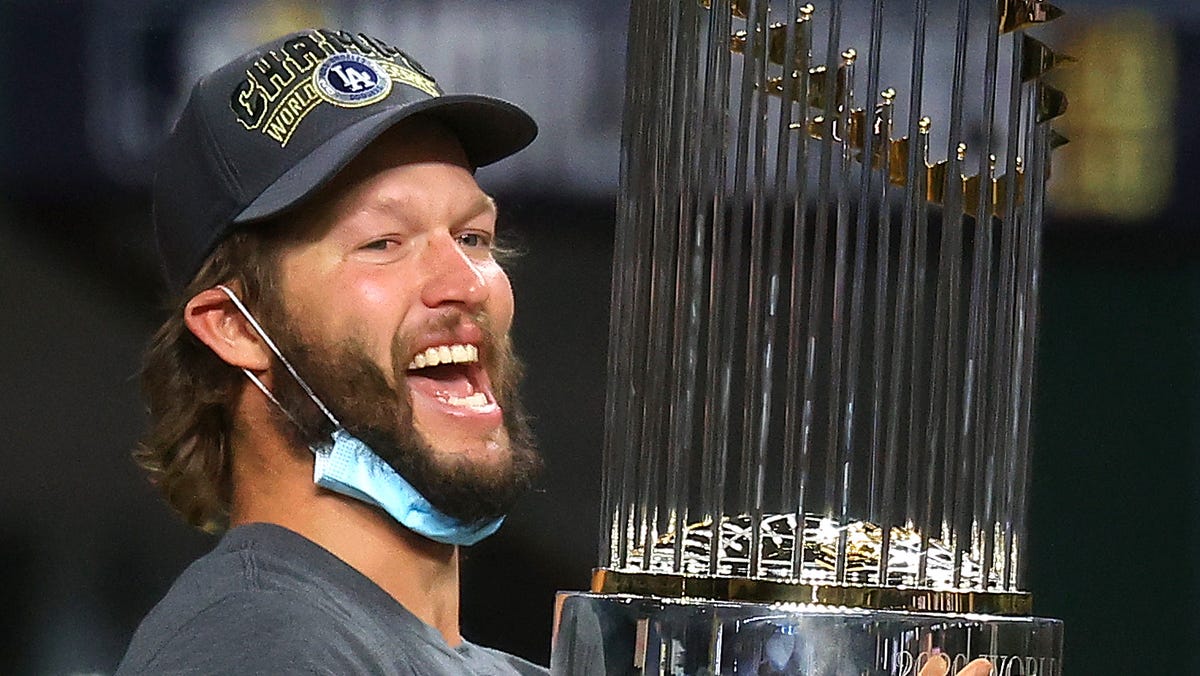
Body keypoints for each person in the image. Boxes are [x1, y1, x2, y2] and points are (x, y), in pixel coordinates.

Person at [116, 28, 545, 674]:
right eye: (383, 242)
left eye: (474, 237)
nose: (467, 284)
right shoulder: (253, 648)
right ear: (236, 327)